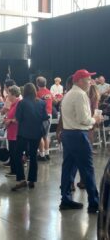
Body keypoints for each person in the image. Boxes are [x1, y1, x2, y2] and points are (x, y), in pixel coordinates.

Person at [59, 69, 103, 213]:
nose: (90, 82)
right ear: (78, 81)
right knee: (87, 169)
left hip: (68, 134)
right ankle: (94, 203)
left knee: (68, 168)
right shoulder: (80, 94)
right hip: (79, 135)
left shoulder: (68, 94)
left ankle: (65, 199)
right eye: (87, 79)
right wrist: (95, 119)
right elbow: (83, 119)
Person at [11, 83, 49, 191]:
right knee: (33, 156)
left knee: (17, 155)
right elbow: (45, 117)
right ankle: (32, 180)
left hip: (23, 133)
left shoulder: (22, 103)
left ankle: (22, 179)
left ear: (25, 92)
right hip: (36, 133)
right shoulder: (41, 103)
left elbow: (18, 119)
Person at [4, 85, 21, 177]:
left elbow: (19, 119)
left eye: (9, 94)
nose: (7, 96)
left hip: (16, 133)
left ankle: (15, 171)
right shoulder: (13, 104)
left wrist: (9, 121)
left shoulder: (18, 104)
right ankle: (13, 170)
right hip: (11, 132)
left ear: (14, 95)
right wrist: (7, 119)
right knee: (12, 152)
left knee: (15, 153)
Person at [36, 76, 53, 161]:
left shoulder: (38, 93)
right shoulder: (49, 92)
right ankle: (47, 153)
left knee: (40, 136)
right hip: (49, 115)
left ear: (37, 84)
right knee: (46, 135)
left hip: (42, 116)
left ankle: (41, 155)